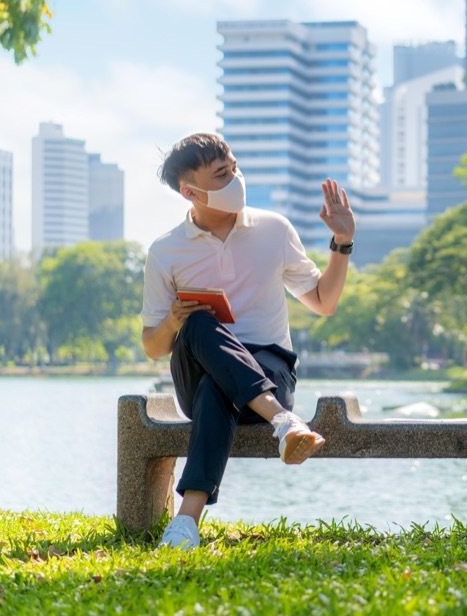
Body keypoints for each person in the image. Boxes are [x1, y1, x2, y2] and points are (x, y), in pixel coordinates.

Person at [140, 133, 356, 550]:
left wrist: (342, 242)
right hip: (201, 370)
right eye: (222, 174)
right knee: (199, 325)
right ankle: (285, 422)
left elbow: (323, 301)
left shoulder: (274, 229)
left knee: (218, 384)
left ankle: (185, 524)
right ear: (190, 192)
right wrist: (174, 320)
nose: (236, 178)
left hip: (269, 368)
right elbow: (153, 346)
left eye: (235, 167)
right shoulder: (166, 251)